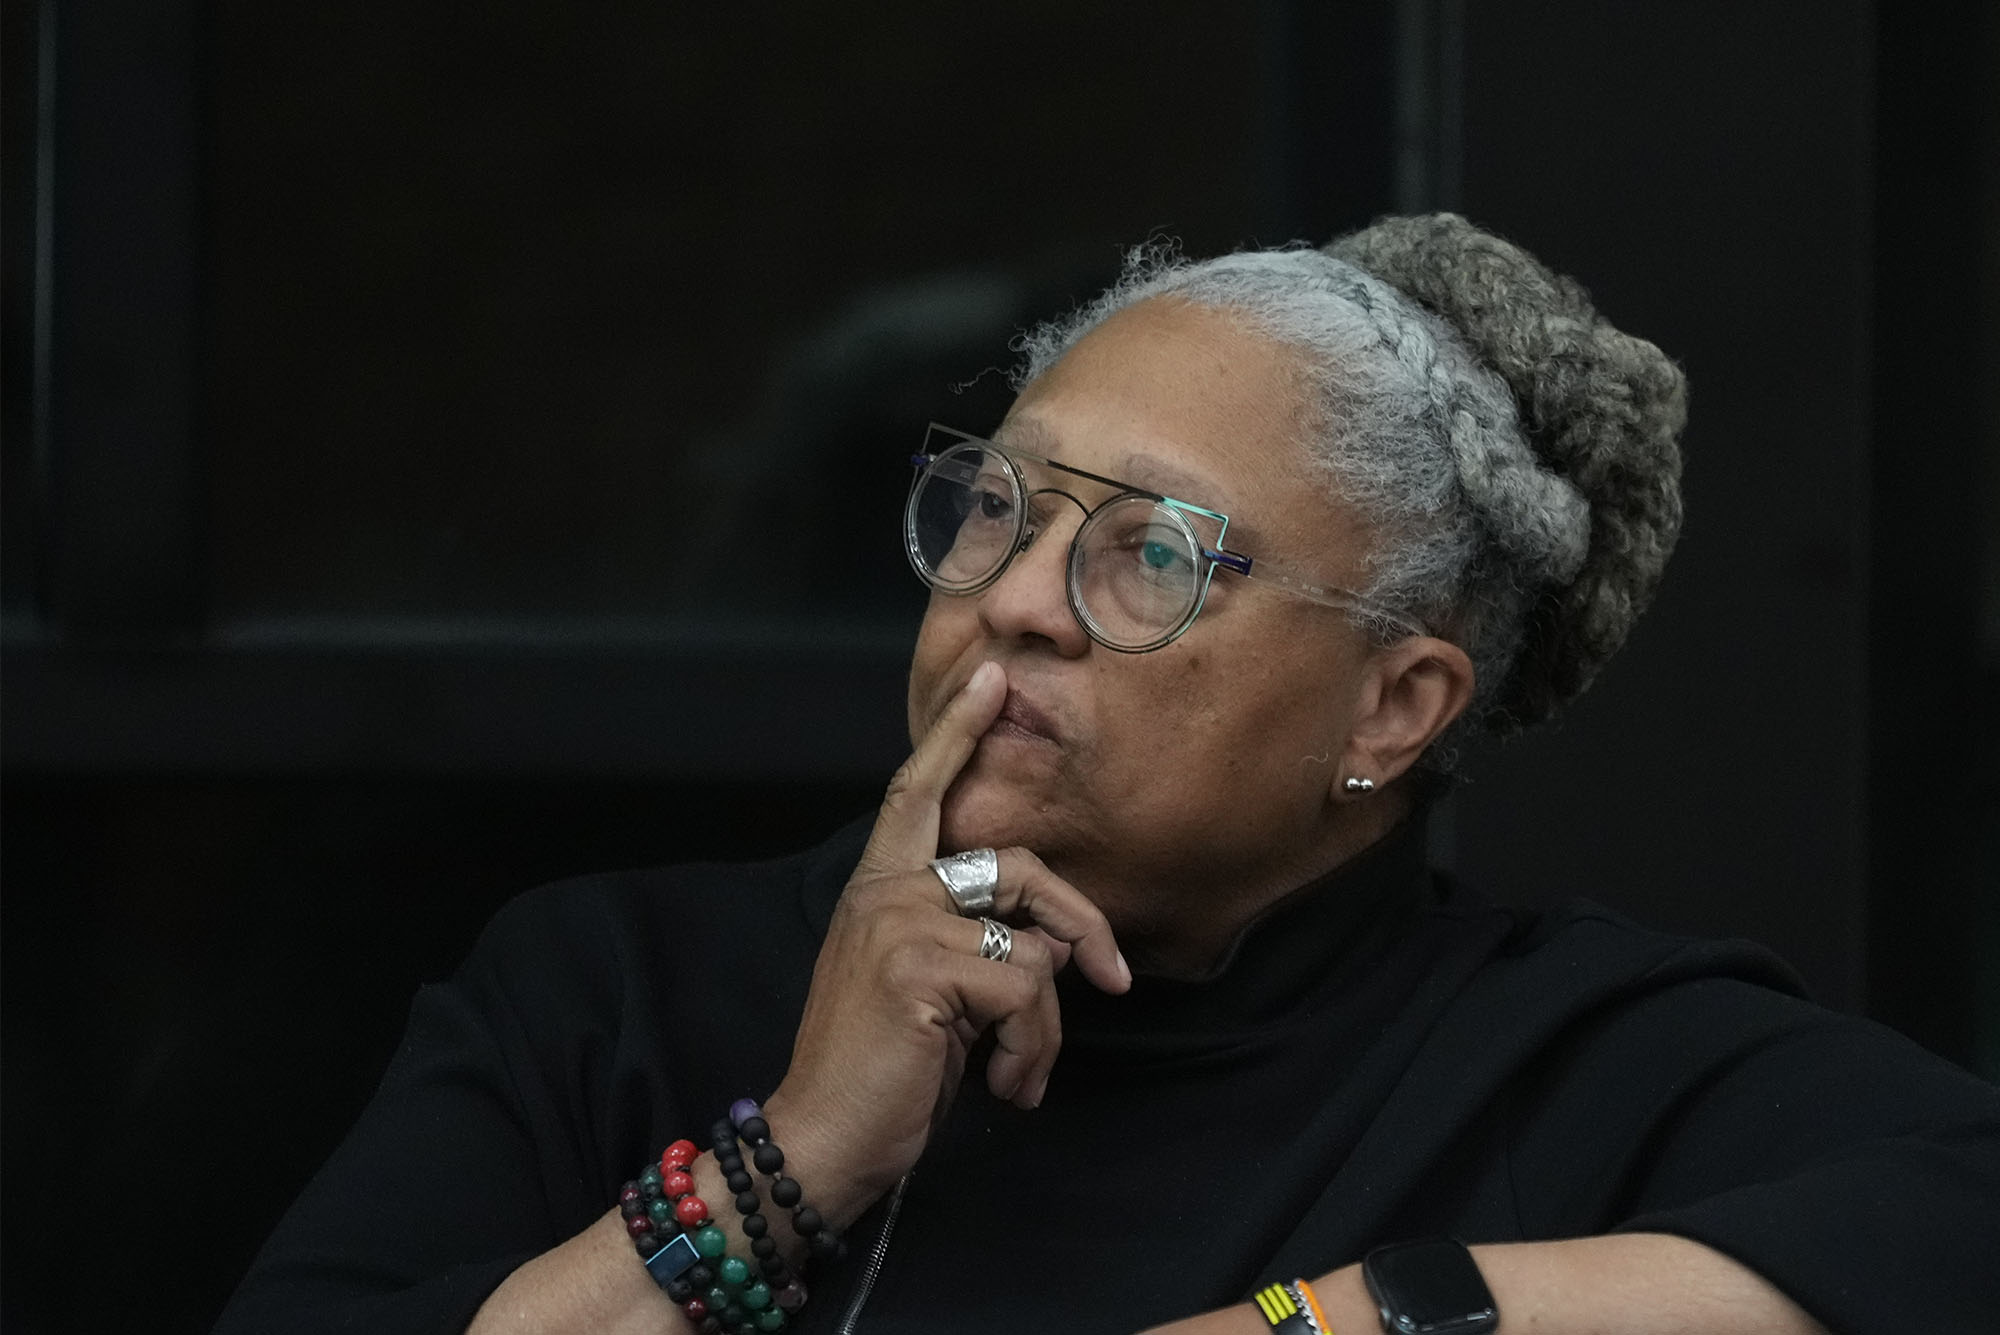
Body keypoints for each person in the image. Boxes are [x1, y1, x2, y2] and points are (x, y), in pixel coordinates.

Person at [214, 214, 2000, 1335]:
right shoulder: (614, 993)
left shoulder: (1565, 1069)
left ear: (1395, 708)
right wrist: (794, 1167)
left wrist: (1355, 1319)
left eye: (1152, 554)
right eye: (997, 506)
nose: (1012, 604)